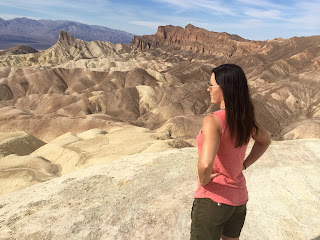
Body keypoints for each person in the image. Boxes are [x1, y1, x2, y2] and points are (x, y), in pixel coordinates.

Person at [190, 64, 271, 240]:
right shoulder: (244, 118)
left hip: (214, 199)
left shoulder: (213, 121)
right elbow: (266, 140)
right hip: (239, 200)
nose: (208, 89)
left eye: (211, 85)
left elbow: (205, 164)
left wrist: (203, 181)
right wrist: (243, 165)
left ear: (224, 88)